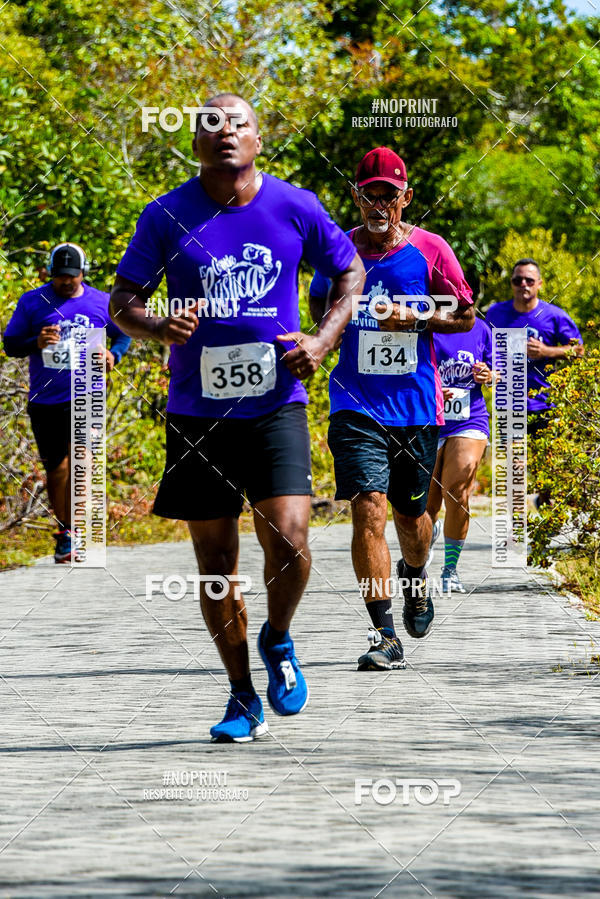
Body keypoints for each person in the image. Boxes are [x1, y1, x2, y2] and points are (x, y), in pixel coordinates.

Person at [110, 94, 365, 742]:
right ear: (195, 142)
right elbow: (122, 301)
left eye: (239, 123)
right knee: (218, 562)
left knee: (291, 540)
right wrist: (156, 325)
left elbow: (350, 271)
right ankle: (241, 695)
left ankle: (277, 636)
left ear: (258, 138)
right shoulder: (166, 213)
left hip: (276, 402)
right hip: (197, 414)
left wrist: (322, 340)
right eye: (211, 124)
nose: (226, 132)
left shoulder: (295, 205)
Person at [309, 146, 474, 672]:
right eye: (369, 195)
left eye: (389, 195)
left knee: (411, 519)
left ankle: (415, 575)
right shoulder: (339, 250)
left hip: (415, 406)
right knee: (368, 508)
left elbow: (465, 315)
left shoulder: (430, 248)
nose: (378, 205)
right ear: (356, 197)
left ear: (406, 197)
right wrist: (328, 333)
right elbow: (319, 304)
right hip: (355, 403)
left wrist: (416, 316)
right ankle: (383, 634)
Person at [3, 243, 131, 563]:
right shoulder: (32, 302)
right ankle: (66, 532)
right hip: (46, 399)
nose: (66, 281)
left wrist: (114, 354)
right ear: (50, 273)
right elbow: (10, 344)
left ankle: (78, 531)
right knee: (58, 468)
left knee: (81, 460)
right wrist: (36, 341)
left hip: (88, 394)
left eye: (72, 276)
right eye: (60, 276)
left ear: (82, 273)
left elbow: (125, 333)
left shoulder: (102, 302)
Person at [486, 258, 583, 504]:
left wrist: (547, 351)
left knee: (549, 472)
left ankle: (543, 503)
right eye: (517, 280)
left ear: (539, 284)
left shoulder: (554, 316)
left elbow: (578, 350)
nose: (523, 284)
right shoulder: (496, 313)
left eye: (529, 280)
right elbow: (483, 346)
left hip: (545, 404)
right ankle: (517, 524)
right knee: (515, 468)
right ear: (511, 283)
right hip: (509, 404)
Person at [426, 318, 494, 593]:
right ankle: (423, 546)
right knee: (425, 503)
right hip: (426, 419)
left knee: (456, 491)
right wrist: (430, 389)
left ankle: (450, 571)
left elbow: (499, 372)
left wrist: (488, 375)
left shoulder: (480, 328)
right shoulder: (422, 324)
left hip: (469, 420)